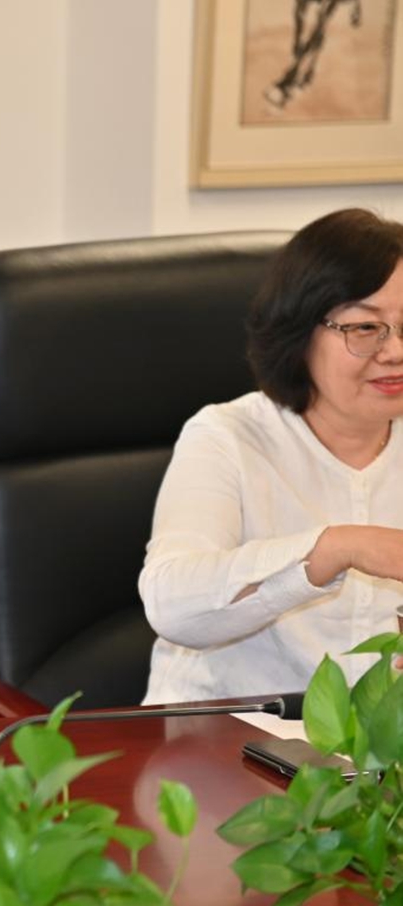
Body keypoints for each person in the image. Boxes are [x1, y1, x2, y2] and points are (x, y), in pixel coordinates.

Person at [141, 208, 403, 703]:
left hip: (382, 745)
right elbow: (171, 604)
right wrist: (337, 547)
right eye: (366, 327)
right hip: (222, 734)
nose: (394, 352)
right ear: (301, 332)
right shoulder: (227, 438)